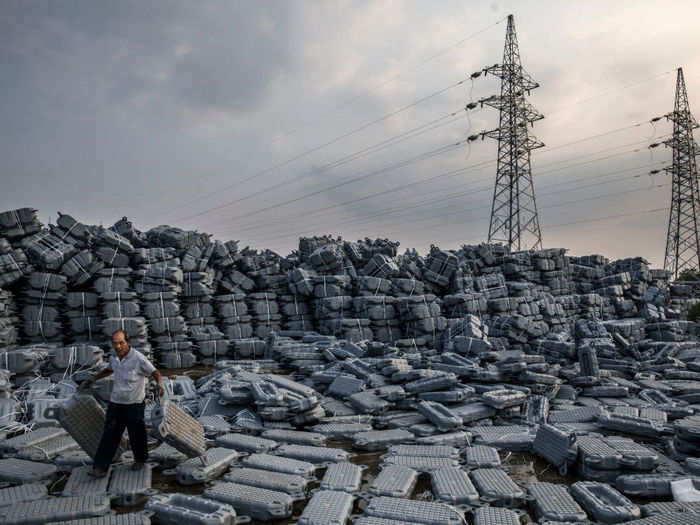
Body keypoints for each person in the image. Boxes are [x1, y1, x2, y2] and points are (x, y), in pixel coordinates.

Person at [83, 329, 165, 477]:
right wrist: (93, 379)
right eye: (115, 343)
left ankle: (140, 460)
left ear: (128, 342)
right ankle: (100, 468)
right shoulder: (114, 358)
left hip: (134, 404)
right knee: (109, 435)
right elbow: (108, 370)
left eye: (121, 343)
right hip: (116, 403)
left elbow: (155, 373)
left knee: (136, 435)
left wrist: (159, 384)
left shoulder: (138, 359)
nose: (118, 346)